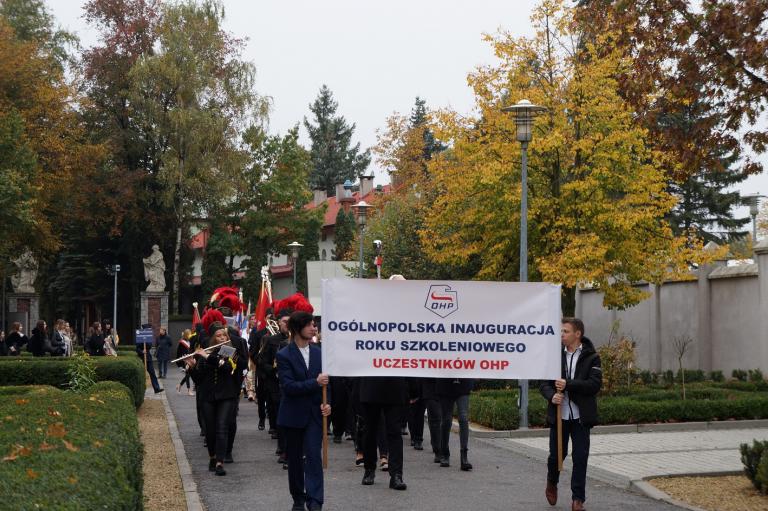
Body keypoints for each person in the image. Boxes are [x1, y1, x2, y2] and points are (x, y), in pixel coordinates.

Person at [540, 317, 602, 511]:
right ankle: (552, 481)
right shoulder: (554, 356)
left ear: (577, 334)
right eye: (561, 331)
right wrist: (552, 396)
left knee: (580, 457)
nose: (562, 335)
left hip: (581, 416)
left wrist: (569, 384)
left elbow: (594, 385)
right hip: (559, 415)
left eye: (565, 331)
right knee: (556, 455)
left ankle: (578, 499)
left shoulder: (592, 357)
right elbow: (543, 384)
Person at [276, 311, 331, 511]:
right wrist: (314, 383)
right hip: (292, 415)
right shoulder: (283, 355)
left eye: (314, 324)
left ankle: (315, 501)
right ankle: (298, 499)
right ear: (298, 328)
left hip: (315, 416)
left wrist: (328, 403)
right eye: (309, 324)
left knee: (314, 458)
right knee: (296, 461)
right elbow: (289, 387)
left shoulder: (320, 352)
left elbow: (327, 384)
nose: (314, 328)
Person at [186, 316, 247, 476]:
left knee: (222, 428)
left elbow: (228, 367)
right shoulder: (205, 352)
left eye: (224, 336)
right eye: (219, 336)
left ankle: (220, 462)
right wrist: (192, 367)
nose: (222, 338)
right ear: (213, 338)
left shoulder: (230, 351)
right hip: (208, 396)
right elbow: (199, 379)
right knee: (211, 431)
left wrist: (208, 357)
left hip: (227, 395)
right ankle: (213, 457)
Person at [258, 308, 292, 465]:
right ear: (279, 323)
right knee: (281, 415)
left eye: (289, 321)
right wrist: (273, 371)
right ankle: (284, 448)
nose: (287, 324)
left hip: (292, 384)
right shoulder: (271, 340)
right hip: (275, 383)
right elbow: (262, 361)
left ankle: (290, 448)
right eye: (284, 321)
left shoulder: (299, 341)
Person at [436, 377, 474, 471]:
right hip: (445, 385)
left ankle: (464, 457)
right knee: (446, 420)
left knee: (463, 418)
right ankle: (445, 453)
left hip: (463, 384)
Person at [136, 329, 164, 394]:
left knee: (152, 373)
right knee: (141, 374)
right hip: (142, 358)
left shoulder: (148, 338)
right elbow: (137, 348)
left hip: (148, 358)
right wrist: (142, 351)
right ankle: (140, 390)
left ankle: (156, 388)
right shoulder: (140, 337)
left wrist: (147, 341)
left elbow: (150, 346)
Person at [176, 329, 194, 395]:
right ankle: (189, 391)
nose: (190, 335)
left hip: (189, 360)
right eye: (189, 334)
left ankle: (179, 386)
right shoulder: (182, 343)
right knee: (187, 375)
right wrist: (184, 363)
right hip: (184, 361)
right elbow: (181, 353)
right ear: (186, 335)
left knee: (188, 375)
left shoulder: (189, 341)